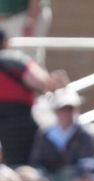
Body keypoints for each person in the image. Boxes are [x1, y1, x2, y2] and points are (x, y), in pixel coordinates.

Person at [0, 28, 63, 165]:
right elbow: (43, 82)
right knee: (24, 166)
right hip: (21, 121)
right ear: (6, 43)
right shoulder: (14, 59)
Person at [28, 88, 94, 176]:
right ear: (55, 111)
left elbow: (89, 161)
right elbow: (36, 162)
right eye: (62, 109)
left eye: (69, 109)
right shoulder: (44, 135)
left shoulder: (85, 135)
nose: (66, 113)